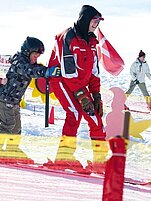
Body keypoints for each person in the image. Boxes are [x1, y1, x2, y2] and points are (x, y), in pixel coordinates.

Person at [46, 5, 107, 171]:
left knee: (95, 118)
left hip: (77, 84)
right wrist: (82, 95)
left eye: (98, 21)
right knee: (74, 112)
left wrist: (96, 95)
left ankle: (100, 161)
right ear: (86, 19)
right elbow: (68, 71)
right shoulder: (68, 37)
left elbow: (94, 72)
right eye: (94, 20)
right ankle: (64, 158)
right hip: (61, 80)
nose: (96, 24)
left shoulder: (92, 42)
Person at [0, 36, 61, 135]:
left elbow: (36, 68)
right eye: (35, 55)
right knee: (8, 125)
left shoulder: (29, 62)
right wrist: (46, 71)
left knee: (16, 128)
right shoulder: (19, 62)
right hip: (5, 98)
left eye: (38, 56)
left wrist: (49, 70)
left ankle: (13, 148)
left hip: (14, 100)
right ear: (27, 52)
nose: (36, 58)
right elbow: (29, 70)